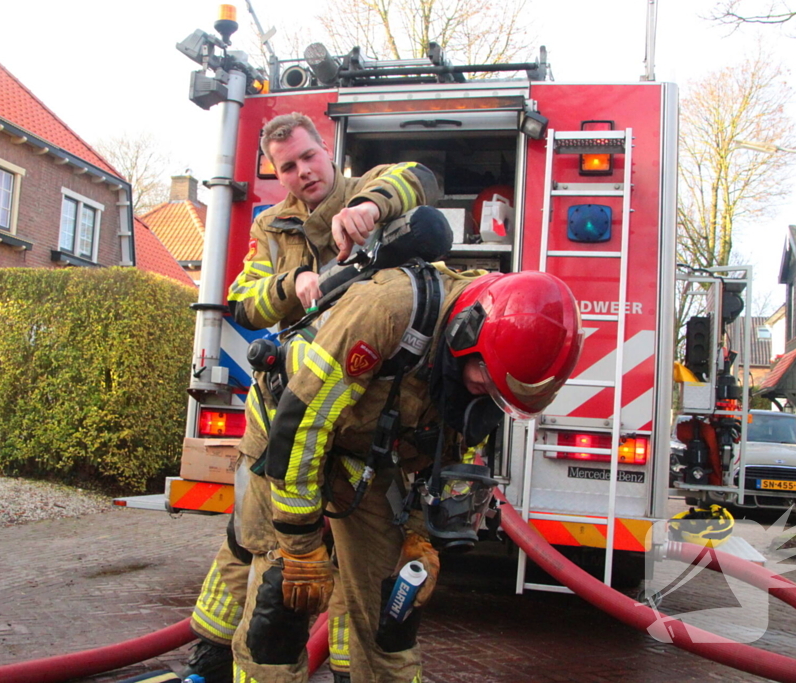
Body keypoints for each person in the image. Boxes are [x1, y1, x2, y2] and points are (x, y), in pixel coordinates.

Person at [229, 265, 584, 683]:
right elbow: (303, 424)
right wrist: (301, 546)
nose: (486, 398)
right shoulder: (387, 311)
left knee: (390, 604)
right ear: (465, 339)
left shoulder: (482, 378)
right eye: (485, 384)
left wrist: (419, 537)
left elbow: (451, 458)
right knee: (282, 596)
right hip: (286, 433)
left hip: (363, 452)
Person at [184, 112, 441, 683]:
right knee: (256, 551)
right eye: (288, 167)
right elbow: (243, 303)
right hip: (277, 419)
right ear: (278, 175)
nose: (303, 173)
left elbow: (422, 177)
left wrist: (372, 208)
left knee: (360, 573)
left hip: (359, 428)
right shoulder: (272, 228)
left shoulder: (369, 192)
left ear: (328, 152)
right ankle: (209, 663)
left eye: (309, 158)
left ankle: (351, 672)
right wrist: (290, 288)